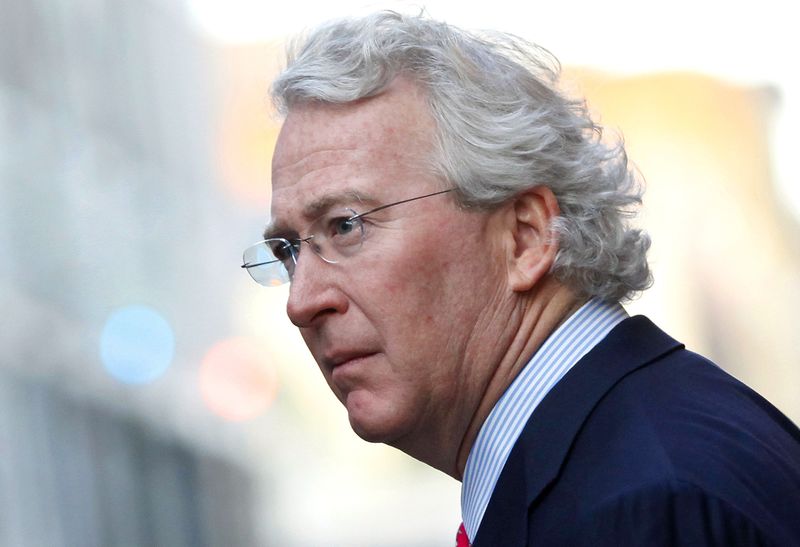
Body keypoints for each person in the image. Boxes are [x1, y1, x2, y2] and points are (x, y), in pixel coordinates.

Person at [241, 11, 800, 546]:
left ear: (525, 237)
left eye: (346, 226)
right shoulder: (627, 458)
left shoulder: (642, 506)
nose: (301, 302)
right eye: (287, 251)